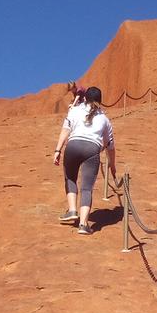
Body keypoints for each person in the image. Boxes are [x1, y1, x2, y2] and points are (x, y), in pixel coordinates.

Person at [52, 86, 116, 235]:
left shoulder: (74, 110)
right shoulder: (104, 119)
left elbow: (65, 130)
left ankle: (73, 210)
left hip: (73, 146)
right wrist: (112, 165)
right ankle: (83, 224)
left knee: (70, 178)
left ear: (85, 98)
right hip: (92, 150)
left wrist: (57, 150)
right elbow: (110, 146)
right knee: (87, 188)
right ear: (100, 101)